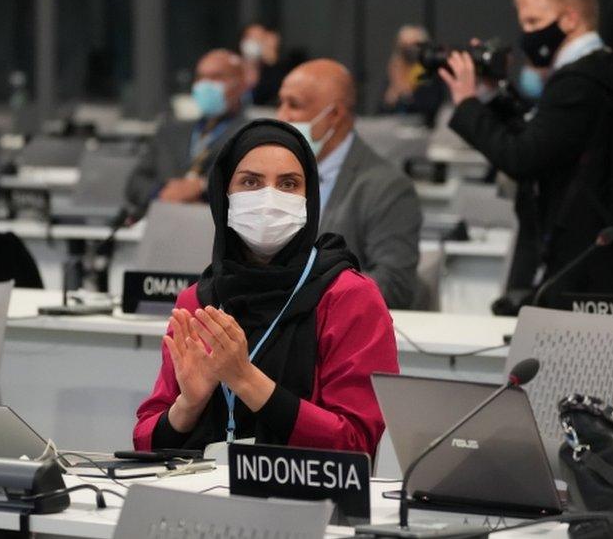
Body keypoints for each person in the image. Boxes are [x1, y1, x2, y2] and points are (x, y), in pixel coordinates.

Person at [134, 119, 399, 455]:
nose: (269, 198)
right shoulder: (200, 301)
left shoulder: (348, 296)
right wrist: (188, 405)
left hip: (306, 499)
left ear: (310, 197)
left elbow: (357, 442)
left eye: (288, 184)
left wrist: (246, 380)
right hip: (203, 497)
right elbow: (144, 440)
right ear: (223, 195)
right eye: (250, 182)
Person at [440, 0, 613, 304]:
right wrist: (492, 98)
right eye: (523, 22)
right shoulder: (597, 70)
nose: (527, 33)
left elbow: (523, 156)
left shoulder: (580, 80)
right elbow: (544, 138)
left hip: (582, 272)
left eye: (534, 21)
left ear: (571, 19)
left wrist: (467, 104)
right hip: (588, 265)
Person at [276, 59, 422, 309]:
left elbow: (394, 285)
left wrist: (305, 293)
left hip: (341, 331)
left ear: (334, 115)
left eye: (294, 105)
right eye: (280, 102)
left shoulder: (387, 187)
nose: (281, 115)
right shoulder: (275, 173)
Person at [126, 49, 248, 211]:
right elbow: (136, 183)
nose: (205, 84)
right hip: (162, 220)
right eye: (200, 77)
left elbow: (250, 188)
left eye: (216, 77)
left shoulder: (248, 136)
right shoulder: (170, 131)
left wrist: (203, 187)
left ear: (240, 85)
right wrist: (161, 193)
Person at [378, 25, 444, 127]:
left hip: (423, 133)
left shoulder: (431, 73)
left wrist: (406, 95)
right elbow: (380, 112)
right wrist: (390, 98)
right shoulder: (394, 71)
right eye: (404, 45)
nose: (409, 50)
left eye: (413, 45)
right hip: (392, 132)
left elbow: (430, 109)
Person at [239, 23, 291, 107]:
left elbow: (277, 94)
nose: (255, 42)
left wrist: (272, 59)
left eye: (260, 38)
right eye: (251, 37)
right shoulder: (233, 66)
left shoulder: (272, 71)